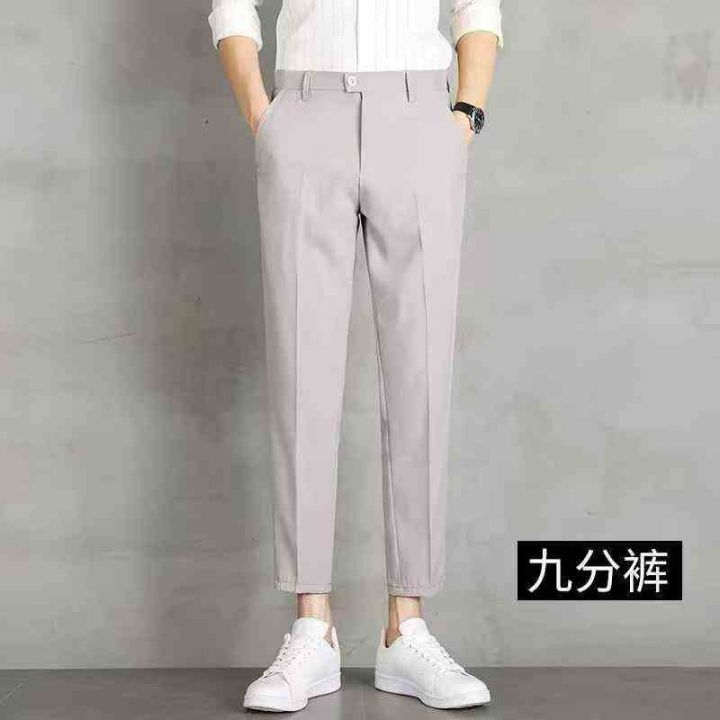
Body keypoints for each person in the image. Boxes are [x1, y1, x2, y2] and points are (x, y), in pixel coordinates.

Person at [209, 0, 502, 711]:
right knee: (301, 371)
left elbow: (477, 6)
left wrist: (465, 114)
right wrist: (263, 116)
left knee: (421, 371)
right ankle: (312, 629)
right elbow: (231, 6)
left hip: (421, 113)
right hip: (306, 111)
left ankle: (407, 628)